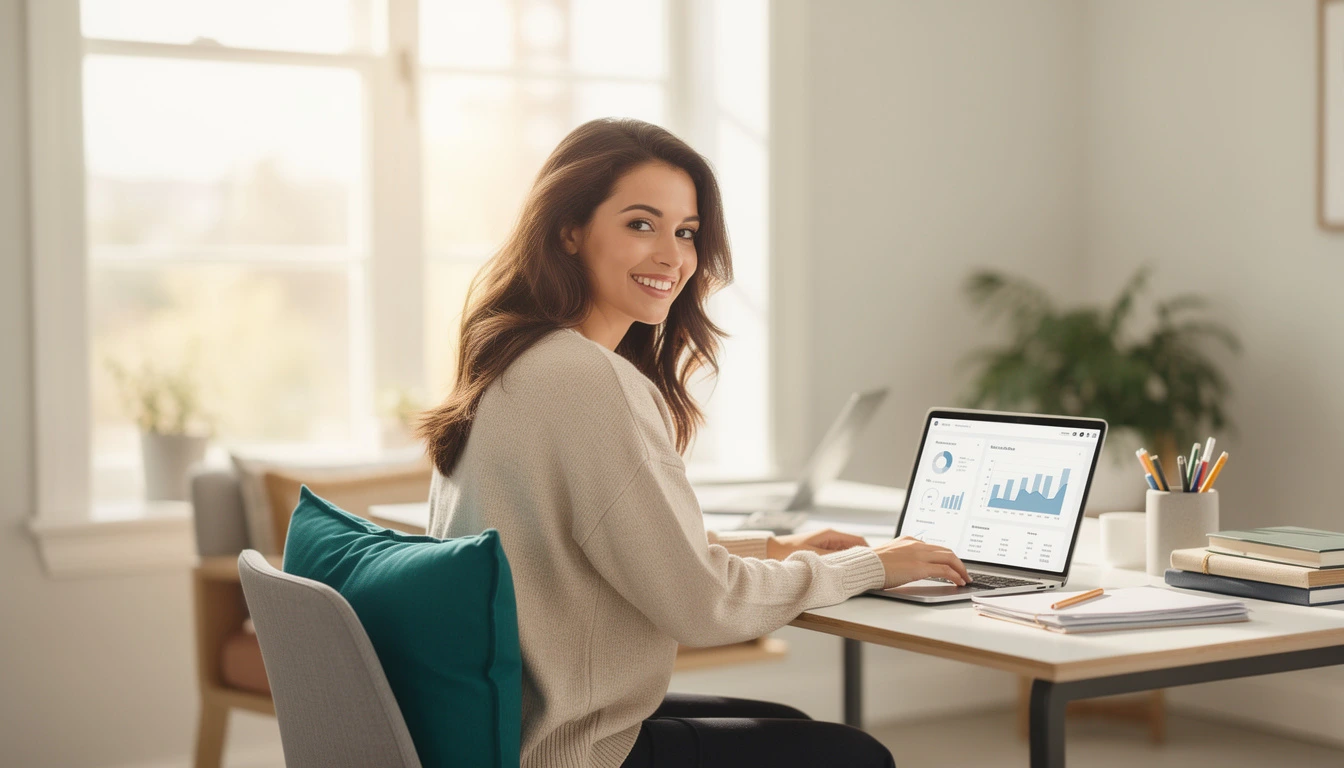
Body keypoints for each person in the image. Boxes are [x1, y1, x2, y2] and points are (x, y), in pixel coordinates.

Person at [417, 118, 970, 768]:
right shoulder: (588, 380)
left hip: (508, 721)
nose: (673, 256)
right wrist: (873, 566)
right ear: (568, 229)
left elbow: (588, 547)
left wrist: (772, 548)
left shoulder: (513, 356)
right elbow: (704, 608)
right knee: (852, 756)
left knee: (788, 724)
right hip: (564, 746)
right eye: (640, 224)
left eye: (685, 232)